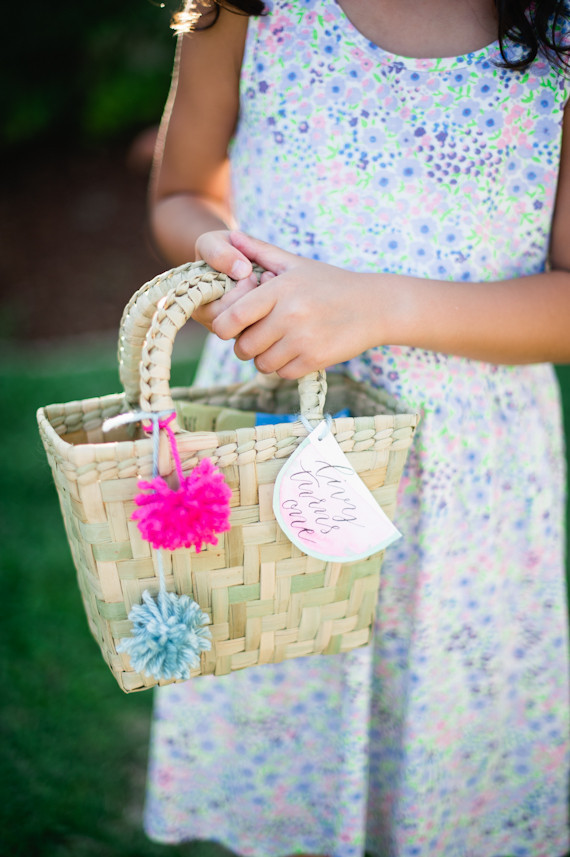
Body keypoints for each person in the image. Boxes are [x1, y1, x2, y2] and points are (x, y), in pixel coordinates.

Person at [143, 1, 570, 855]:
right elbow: (180, 194)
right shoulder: (244, 7)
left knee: (445, 771)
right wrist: (229, 261)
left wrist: (381, 306)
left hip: (465, 485)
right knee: (283, 727)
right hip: (275, 439)